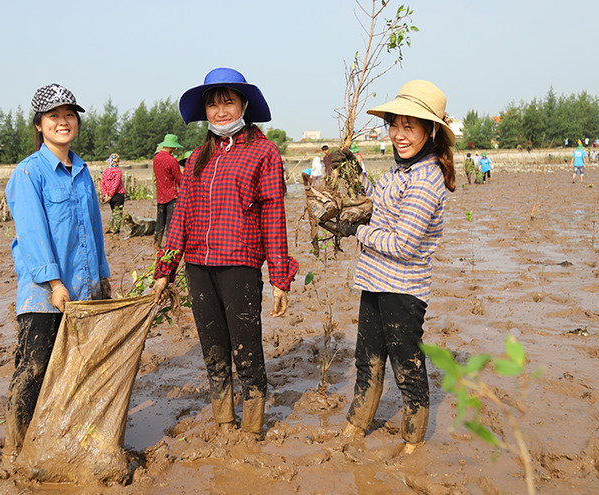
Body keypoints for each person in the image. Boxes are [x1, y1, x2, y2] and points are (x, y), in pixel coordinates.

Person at [152, 67, 298, 438]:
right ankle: (223, 421)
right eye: (213, 105)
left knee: (246, 349)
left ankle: (251, 429)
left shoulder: (264, 152)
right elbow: (181, 217)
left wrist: (280, 278)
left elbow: (273, 218)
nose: (220, 112)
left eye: (228, 102)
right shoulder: (197, 157)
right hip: (198, 267)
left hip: (239, 266)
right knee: (213, 348)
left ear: (243, 105)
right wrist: (164, 270)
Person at [324, 80, 456, 452]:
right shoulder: (400, 172)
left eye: (409, 127)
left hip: (403, 289)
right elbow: (378, 204)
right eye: (394, 125)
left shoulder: (425, 179)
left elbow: (402, 244)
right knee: (367, 359)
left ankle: (413, 440)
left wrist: (357, 231)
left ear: (430, 131)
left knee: (406, 365)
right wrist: (354, 172)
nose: (398, 135)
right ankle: (357, 422)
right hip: (375, 281)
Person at [4, 83, 111, 455]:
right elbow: (32, 233)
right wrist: (54, 283)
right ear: (39, 124)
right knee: (35, 369)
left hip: (84, 290)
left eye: (69, 115)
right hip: (44, 294)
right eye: (54, 116)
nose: (63, 122)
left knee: (76, 370)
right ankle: (17, 449)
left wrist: (102, 276)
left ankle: (61, 442)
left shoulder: (81, 170)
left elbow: (93, 228)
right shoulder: (29, 173)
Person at [153, 134, 184, 249]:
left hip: (160, 195)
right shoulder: (172, 160)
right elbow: (179, 179)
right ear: (172, 147)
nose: (175, 149)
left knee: (160, 221)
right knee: (171, 223)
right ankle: (169, 246)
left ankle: (156, 244)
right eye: (175, 147)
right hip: (172, 195)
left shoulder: (156, 158)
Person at [100, 153, 126, 233]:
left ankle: (110, 228)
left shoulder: (105, 172)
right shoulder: (118, 171)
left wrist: (106, 195)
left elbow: (102, 184)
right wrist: (111, 195)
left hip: (109, 196)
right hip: (118, 195)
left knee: (114, 212)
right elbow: (116, 184)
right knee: (118, 213)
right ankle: (115, 230)